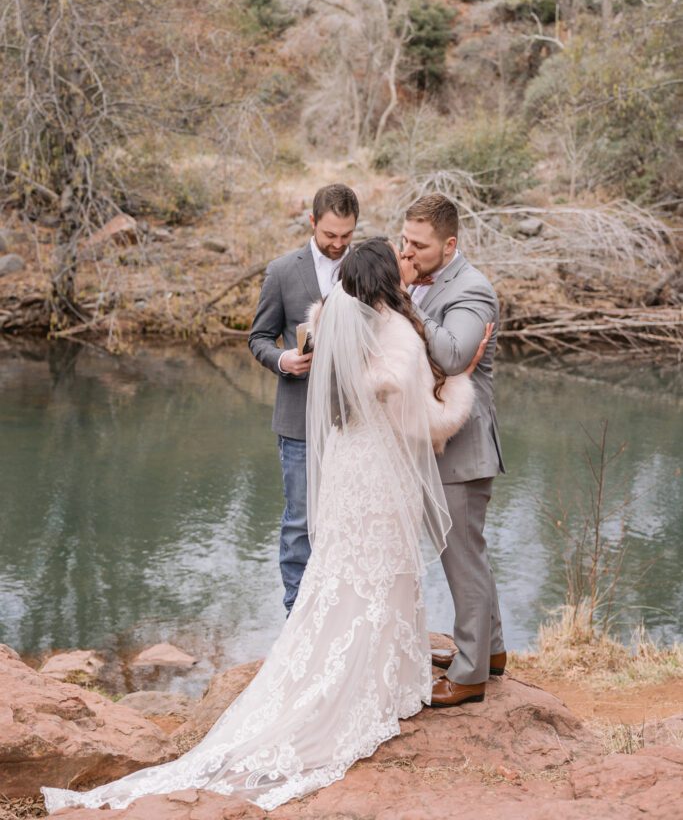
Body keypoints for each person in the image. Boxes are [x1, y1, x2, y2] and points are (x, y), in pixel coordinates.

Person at [42, 238, 487, 814]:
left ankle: (346, 667)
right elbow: (425, 422)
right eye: (398, 262)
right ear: (385, 280)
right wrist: (458, 381)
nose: (408, 267)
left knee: (342, 569)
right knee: (382, 570)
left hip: (347, 467)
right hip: (379, 471)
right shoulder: (398, 333)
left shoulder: (331, 322)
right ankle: (380, 682)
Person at [399, 194, 506, 709]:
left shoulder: (471, 289)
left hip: (462, 449)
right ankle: (491, 651)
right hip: (440, 444)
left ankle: (469, 676)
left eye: (419, 246)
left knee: (462, 559)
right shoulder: (425, 281)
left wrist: (404, 302)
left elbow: (455, 355)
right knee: (467, 554)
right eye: (404, 241)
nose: (408, 253)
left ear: (449, 244)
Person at [248, 183, 359, 614]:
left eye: (346, 235)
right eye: (330, 234)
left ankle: (338, 611)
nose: (338, 244)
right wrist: (283, 360)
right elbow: (258, 338)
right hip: (298, 421)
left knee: (349, 519)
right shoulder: (281, 272)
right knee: (300, 521)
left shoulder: (365, 268)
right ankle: (296, 615)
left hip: (355, 421)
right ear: (312, 222)